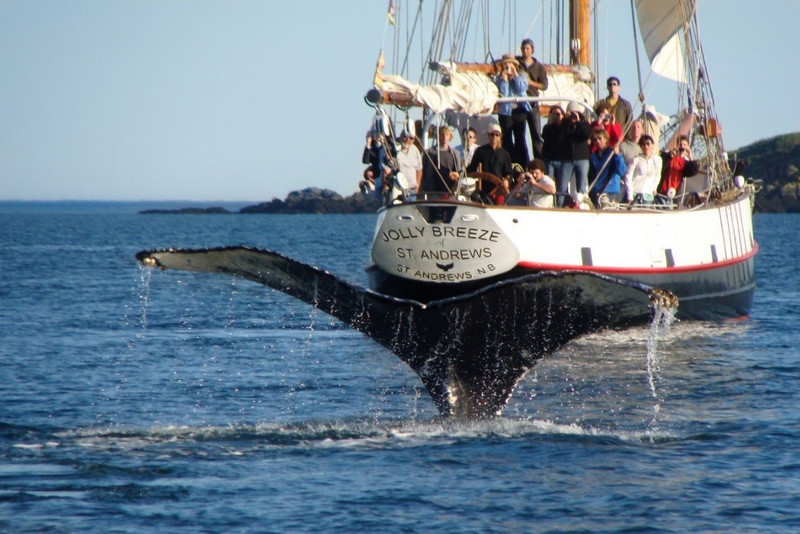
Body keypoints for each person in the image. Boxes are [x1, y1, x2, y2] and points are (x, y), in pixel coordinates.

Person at [495, 53, 531, 167]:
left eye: (510, 64)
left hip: (519, 110)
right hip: (506, 111)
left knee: (520, 137)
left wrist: (515, 75)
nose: (508, 66)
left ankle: (523, 164)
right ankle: (509, 163)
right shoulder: (499, 78)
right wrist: (504, 80)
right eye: (505, 64)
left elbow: (521, 89)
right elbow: (503, 94)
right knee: (507, 138)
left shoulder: (522, 75)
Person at [517, 38, 548, 159]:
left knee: (536, 134)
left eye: (527, 48)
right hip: (519, 103)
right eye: (523, 48)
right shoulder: (517, 63)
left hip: (533, 102)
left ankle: (539, 161)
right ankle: (523, 161)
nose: (525, 51)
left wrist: (529, 83)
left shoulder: (538, 67)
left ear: (532, 50)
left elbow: (544, 85)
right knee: (520, 135)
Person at [556, 102, 591, 207]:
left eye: (575, 113)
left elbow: (585, 134)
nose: (573, 116)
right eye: (571, 113)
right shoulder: (564, 125)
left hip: (582, 159)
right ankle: (559, 207)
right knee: (562, 187)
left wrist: (578, 122)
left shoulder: (584, 124)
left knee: (582, 186)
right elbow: (559, 138)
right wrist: (566, 121)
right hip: (567, 159)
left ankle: (581, 206)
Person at [467, 123, 513, 204]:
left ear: (500, 136)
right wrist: (460, 174)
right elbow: (471, 169)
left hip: (499, 190)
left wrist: (507, 182)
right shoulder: (480, 151)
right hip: (483, 191)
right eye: (492, 134)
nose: (494, 137)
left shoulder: (505, 154)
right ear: (488, 135)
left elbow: (509, 174)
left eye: (497, 135)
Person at [589, 129, 627, 206]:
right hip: (597, 191)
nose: (597, 142)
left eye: (600, 138)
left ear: (606, 139)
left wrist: (618, 155)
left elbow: (622, 171)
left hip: (610, 190)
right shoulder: (593, 156)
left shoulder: (612, 153)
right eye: (595, 140)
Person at [657, 134, 699, 203]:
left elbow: (694, 170)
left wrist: (690, 154)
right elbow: (662, 162)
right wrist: (671, 154)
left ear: (688, 146)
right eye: (680, 144)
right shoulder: (670, 156)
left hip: (673, 194)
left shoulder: (684, 162)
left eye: (684, 145)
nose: (682, 147)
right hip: (662, 192)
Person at [420, 126, 462, 193]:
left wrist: (456, 175)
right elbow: (424, 172)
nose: (445, 137)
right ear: (438, 136)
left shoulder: (455, 154)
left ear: (450, 136)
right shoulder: (429, 153)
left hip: (451, 191)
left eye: (447, 135)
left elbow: (459, 171)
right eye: (442, 135)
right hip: (433, 191)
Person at [622, 134, 661, 205]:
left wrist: (654, 188)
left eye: (648, 144)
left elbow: (657, 176)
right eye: (643, 144)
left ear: (652, 145)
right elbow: (628, 176)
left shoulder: (657, 160)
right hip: (635, 193)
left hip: (648, 195)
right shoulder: (636, 159)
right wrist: (630, 195)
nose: (646, 146)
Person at [617, 119, 643, 202]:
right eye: (634, 127)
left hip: (639, 186)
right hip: (624, 183)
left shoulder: (645, 148)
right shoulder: (623, 146)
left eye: (638, 127)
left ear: (642, 130)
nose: (636, 129)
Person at [362, 130, 390, 199]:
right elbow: (365, 161)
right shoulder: (373, 149)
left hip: (387, 176)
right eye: (374, 136)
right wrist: (368, 143)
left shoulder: (387, 147)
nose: (376, 137)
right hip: (378, 178)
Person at [541, 105, 567, 179]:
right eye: (553, 114)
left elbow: (561, 137)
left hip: (561, 159)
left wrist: (563, 122)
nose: (555, 116)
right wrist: (551, 122)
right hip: (549, 159)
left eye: (558, 114)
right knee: (548, 181)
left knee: (561, 183)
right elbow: (544, 136)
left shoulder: (566, 127)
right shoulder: (547, 127)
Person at [395, 130, 423, 194]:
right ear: (401, 137)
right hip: (398, 189)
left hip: (412, 189)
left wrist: (417, 186)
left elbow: (419, 170)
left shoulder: (415, 150)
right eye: (405, 137)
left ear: (414, 140)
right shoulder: (394, 151)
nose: (408, 140)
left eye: (411, 138)